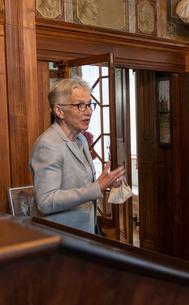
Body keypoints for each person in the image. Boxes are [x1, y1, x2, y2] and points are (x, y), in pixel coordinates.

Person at [29, 77, 125, 234]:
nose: (89, 112)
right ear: (59, 111)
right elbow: (45, 202)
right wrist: (97, 187)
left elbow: (79, 185)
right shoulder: (49, 144)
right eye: (80, 106)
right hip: (59, 240)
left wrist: (106, 183)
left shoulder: (80, 138)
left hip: (84, 232)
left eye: (89, 105)